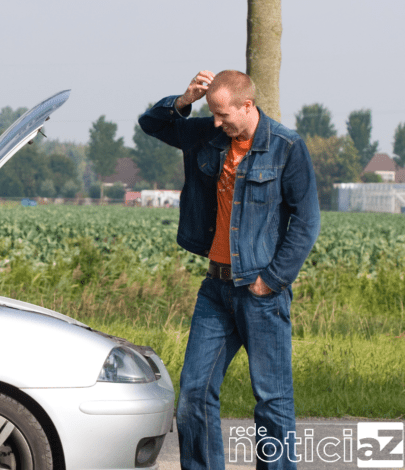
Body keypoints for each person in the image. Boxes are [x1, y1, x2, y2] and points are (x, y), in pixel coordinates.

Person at [139, 70, 320, 470]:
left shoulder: (287, 147)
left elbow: (307, 222)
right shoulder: (208, 136)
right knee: (193, 395)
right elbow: (152, 123)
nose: (217, 123)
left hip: (261, 291)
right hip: (215, 289)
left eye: (223, 114)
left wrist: (270, 281)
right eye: (212, 114)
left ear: (247, 105)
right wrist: (185, 100)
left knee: (272, 401)